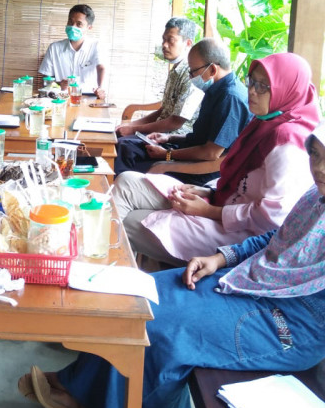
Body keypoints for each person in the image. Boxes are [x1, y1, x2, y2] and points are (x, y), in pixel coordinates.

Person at [19, 120, 325, 408]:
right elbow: (276, 238)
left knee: (163, 330)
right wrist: (220, 258)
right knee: (138, 294)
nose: (318, 168)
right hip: (248, 280)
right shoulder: (315, 195)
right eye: (317, 154)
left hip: (290, 324)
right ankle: (82, 396)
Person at [115, 52, 319, 265]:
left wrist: (208, 211)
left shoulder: (287, 140)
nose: (252, 91)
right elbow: (237, 176)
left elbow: (273, 217)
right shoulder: (265, 121)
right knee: (127, 181)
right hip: (218, 197)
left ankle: (105, 280)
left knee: (128, 222)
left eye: (262, 86)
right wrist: (207, 191)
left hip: (239, 233)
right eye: (252, 82)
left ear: (287, 89)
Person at [118, 37, 250, 188]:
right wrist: (169, 137)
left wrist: (166, 155)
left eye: (193, 72)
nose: (190, 77)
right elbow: (201, 138)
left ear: (213, 69)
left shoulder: (230, 98)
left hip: (200, 172)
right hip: (189, 155)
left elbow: (211, 153)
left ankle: (114, 202)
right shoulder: (216, 90)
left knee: (128, 162)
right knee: (125, 145)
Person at [115, 17, 203, 175]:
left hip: (175, 140)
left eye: (171, 40)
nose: (164, 45)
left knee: (123, 145)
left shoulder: (191, 75)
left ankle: (119, 190)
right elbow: (163, 111)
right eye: (163, 39)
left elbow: (175, 122)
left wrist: (133, 130)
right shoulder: (175, 70)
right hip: (161, 134)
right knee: (117, 135)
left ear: (188, 43)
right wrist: (129, 125)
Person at [38, 4, 105, 96]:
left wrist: (100, 88)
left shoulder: (96, 45)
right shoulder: (54, 48)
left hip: (88, 97)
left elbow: (101, 67)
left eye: (79, 24)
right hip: (61, 98)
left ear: (89, 27)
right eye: (70, 22)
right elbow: (46, 77)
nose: (73, 27)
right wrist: (58, 84)